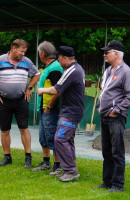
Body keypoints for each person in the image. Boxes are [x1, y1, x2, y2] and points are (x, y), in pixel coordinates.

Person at [0, 39, 40, 168]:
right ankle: (7, 157)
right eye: (21, 51)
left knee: (24, 129)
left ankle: (28, 158)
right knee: (4, 130)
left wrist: (29, 88)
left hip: (21, 100)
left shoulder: (26, 62)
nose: (23, 54)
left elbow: (36, 74)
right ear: (14, 48)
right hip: (3, 101)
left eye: (24, 52)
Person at [37, 46, 85, 182]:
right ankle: (69, 169)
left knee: (60, 139)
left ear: (65, 58)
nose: (57, 60)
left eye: (59, 57)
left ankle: (70, 171)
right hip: (71, 110)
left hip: (71, 112)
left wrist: (42, 90)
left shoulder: (72, 70)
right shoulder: (75, 69)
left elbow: (56, 89)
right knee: (67, 140)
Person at [94, 40, 130, 192]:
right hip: (104, 116)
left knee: (117, 152)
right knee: (106, 151)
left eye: (107, 52)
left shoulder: (126, 72)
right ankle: (107, 182)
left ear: (116, 53)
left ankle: (118, 185)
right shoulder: (108, 71)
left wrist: (116, 110)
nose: (104, 54)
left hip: (115, 117)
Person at [32, 41, 63, 176]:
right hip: (44, 108)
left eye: (39, 53)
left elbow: (58, 91)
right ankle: (46, 162)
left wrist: (49, 106)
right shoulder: (48, 67)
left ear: (42, 53)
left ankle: (58, 166)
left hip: (51, 109)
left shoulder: (55, 68)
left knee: (52, 137)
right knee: (43, 137)